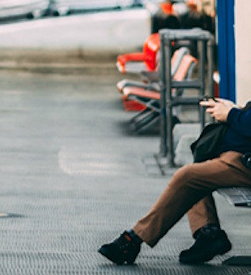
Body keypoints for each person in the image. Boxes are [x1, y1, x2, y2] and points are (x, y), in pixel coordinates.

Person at [98, 97, 251, 265]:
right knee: (197, 170)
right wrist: (234, 109)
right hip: (237, 156)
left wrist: (231, 114)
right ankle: (208, 234)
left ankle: (133, 240)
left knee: (188, 177)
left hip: (243, 162)